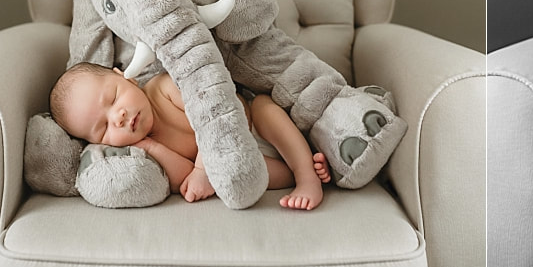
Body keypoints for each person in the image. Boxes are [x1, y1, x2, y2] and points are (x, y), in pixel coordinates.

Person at [50, 62, 330, 210]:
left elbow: (213, 111)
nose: (118, 117)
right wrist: (152, 148)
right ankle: (306, 170)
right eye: (104, 128)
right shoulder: (144, 151)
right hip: (244, 159)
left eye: (113, 97)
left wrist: (201, 167)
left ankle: (306, 174)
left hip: (249, 123)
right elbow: (187, 180)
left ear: (125, 77)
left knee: (266, 109)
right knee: (248, 172)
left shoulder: (163, 87)